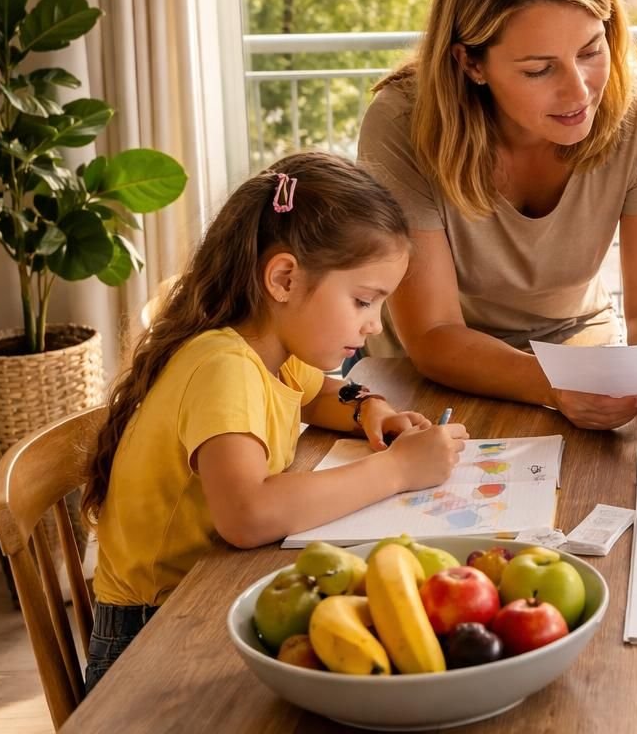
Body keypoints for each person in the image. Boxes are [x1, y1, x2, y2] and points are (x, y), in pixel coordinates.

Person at [80, 152, 469, 689]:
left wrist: (366, 407)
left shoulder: (273, 348)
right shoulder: (223, 365)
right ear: (284, 279)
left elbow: (315, 397)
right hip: (153, 638)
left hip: (207, 593)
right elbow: (248, 514)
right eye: (362, 301)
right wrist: (399, 471)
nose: (374, 325)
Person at [357, 0, 637, 431]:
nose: (579, 92)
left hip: (581, 360)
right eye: (538, 69)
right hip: (421, 378)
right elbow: (434, 332)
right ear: (471, 64)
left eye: (591, 51)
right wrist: (552, 385)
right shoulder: (402, 123)